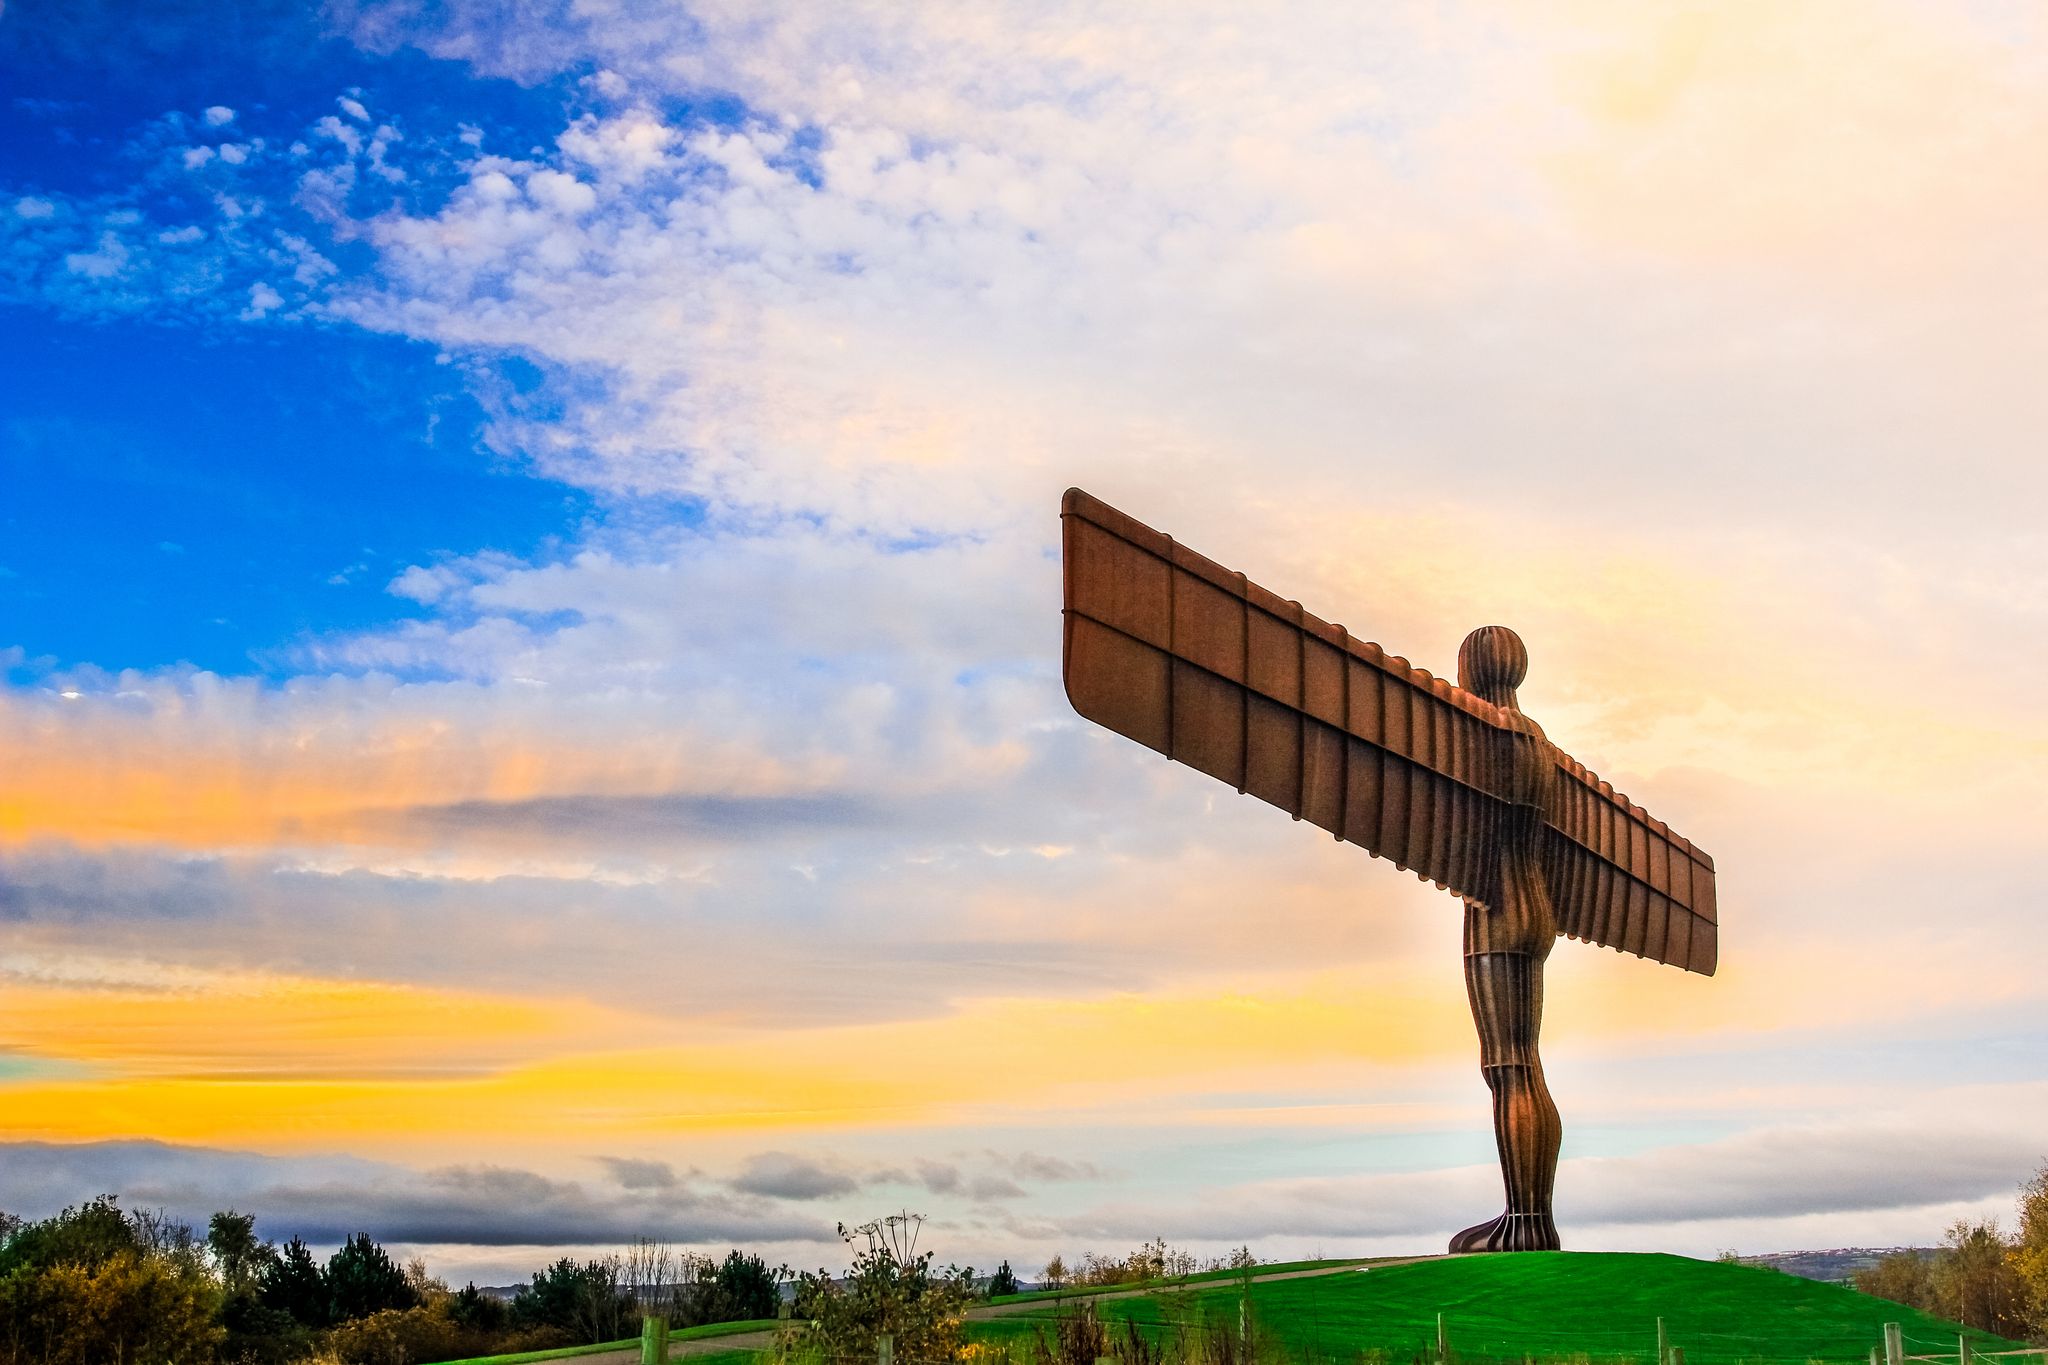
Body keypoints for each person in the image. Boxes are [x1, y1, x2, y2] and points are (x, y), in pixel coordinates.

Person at [1448, 625, 1563, 1253]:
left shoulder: (1477, 731)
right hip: (1537, 905)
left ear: (1474, 666)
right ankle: (1532, 1218)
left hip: (1494, 907)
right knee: (1526, 1064)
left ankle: (1524, 1223)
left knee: (1506, 1066)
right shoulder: (1541, 745)